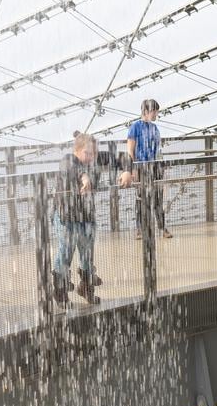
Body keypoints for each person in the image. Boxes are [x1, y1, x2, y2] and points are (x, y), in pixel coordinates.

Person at [51, 132, 132, 305]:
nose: (92, 157)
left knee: (87, 255)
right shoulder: (68, 159)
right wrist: (84, 176)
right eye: (88, 153)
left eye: (94, 153)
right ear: (77, 150)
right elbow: (71, 168)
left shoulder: (96, 157)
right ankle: (60, 294)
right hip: (67, 216)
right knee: (65, 254)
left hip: (87, 216)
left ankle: (86, 289)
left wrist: (126, 171)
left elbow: (123, 156)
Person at [127, 99, 172, 240]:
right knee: (141, 199)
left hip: (155, 167)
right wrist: (133, 168)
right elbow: (130, 150)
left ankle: (162, 228)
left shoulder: (155, 128)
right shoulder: (135, 127)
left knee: (158, 199)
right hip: (141, 167)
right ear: (146, 111)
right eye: (154, 111)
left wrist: (162, 166)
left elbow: (158, 149)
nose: (156, 114)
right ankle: (140, 229)